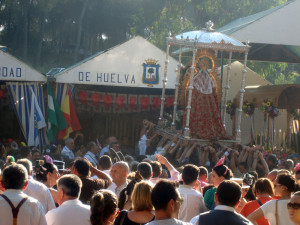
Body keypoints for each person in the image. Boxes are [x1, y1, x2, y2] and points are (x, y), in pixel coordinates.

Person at [186, 61, 226, 139]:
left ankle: (196, 131)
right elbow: (215, 93)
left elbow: (191, 92)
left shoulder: (195, 80)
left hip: (199, 102)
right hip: (210, 103)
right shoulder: (210, 79)